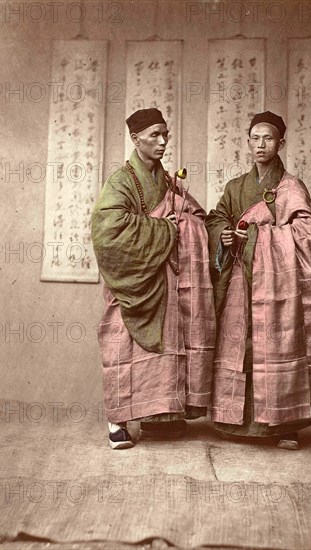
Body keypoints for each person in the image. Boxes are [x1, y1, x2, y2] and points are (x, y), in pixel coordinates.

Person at [205, 111, 311, 450]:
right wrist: (225, 236)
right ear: (247, 143)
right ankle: (234, 419)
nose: (261, 144)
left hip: (277, 284)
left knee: (277, 346)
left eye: (269, 138)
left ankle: (285, 423)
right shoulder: (235, 187)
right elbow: (216, 219)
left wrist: (260, 239)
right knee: (239, 345)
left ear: (280, 144)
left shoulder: (290, 187)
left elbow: (310, 232)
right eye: (255, 138)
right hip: (238, 280)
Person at [92, 108, 216, 449]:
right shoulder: (121, 181)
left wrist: (186, 224)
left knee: (164, 352)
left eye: (165, 135)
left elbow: (195, 216)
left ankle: (159, 419)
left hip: (168, 281)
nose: (162, 142)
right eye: (154, 136)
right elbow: (108, 232)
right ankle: (117, 421)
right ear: (135, 139)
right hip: (134, 280)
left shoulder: (167, 181)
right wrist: (164, 228)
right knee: (121, 344)